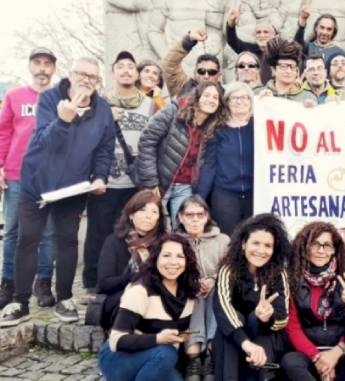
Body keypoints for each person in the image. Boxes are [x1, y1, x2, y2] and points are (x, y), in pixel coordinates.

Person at [0, 57, 115, 328]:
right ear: (70, 75)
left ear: (98, 82)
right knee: (28, 239)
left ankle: (64, 298)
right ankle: (20, 301)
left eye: (93, 77)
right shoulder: (51, 99)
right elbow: (42, 142)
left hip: (73, 187)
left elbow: (104, 148)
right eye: (81, 74)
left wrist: (99, 176)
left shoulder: (103, 110)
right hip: (36, 183)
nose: (86, 80)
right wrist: (63, 121)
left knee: (68, 241)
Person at [82, 51, 157, 304]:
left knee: (130, 233)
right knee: (98, 232)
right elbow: (84, 136)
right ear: (113, 72)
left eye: (131, 67)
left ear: (137, 74)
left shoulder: (149, 104)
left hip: (134, 182)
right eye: (120, 66)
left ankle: (129, 279)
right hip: (105, 180)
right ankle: (92, 284)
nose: (126, 71)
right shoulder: (98, 102)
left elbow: (157, 140)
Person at [0, 47, 58, 310]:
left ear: (53, 68)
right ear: (31, 66)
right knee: (14, 233)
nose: (42, 68)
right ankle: (8, 285)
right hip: (17, 177)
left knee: (48, 234)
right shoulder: (14, 96)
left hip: (51, 180)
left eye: (47, 64)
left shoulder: (60, 99)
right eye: (37, 63)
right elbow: (3, 134)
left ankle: (43, 283)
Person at [98, 233, 200, 381]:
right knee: (166, 352)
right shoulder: (141, 290)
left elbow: (184, 334)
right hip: (119, 358)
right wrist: (158, 338)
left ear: (187, 262)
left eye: (180, 256)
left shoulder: (190, 293)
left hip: (159, 360)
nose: (173, 262)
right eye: (166, 255)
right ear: (156, 258)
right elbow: (117, 340)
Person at [281, 221, 345, 381]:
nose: (320, 251)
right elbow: (293, 328)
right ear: (305, 248)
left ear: (334, 250)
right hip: (309, 353)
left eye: (326, 245)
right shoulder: (292, 280)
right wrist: (318, 358)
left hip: (342, 351)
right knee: (290, 361)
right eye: (315, 244)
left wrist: (336, 353)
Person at [136, 82, 225, 230]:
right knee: (154, 228)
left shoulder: (212, 127)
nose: (211, 100)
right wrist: (150, 181)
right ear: (197, 96)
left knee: (183, 229)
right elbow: (147, 141)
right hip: (160, 182)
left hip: (185, 187)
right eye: (207, 95)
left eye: (215, 97)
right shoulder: (174, 110)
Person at [213, 213, 291, 381]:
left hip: (265, 337)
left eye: (268, 245)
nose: (261, 251)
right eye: (256, 243)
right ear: (243, 244)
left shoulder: (279, 273)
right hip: (235, 339)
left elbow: (283, 318)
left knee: (257, 318)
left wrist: (268, 318)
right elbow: (222, 308)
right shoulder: (229, 269)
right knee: (233, 322)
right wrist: (246, 343)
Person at [176, 195, 230, 380]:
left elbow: (230, 269)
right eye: (189, 215)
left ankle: (209, 355)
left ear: (207, 216)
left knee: (216, 294)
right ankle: (194, 357)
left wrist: (214, 280)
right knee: (195, 295)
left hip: (216, 290)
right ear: (180, 217)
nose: (195, 219)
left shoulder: (222, 240)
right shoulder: (174, 240)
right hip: (186, 292)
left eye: (200, 214)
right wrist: (192, 282)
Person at [96, 189, 166, 330]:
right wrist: (135, 277)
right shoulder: (114, 241)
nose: (148, 216)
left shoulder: (165, 243)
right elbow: (104, 284)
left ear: (159, 218)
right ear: (131, 215)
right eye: (142, 210)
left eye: (154, 212)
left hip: (155, 299)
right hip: (121, 298)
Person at [197, 81, 254, 236]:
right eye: (234, 98)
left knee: (252, 238)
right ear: (227, 103)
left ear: (251, 101)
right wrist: (199, 198)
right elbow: (209, 165)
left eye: (244, 97)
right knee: (228, 239)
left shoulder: (260, 125)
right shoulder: (218, 129)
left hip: (254, 193)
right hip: (225, 194)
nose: (240, 101)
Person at [254, 38, 318, 105]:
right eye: (283, 66)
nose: (288, 71)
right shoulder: (258, 93)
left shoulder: (307, 97)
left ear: (297, 71)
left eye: (292, 66)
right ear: (273, 69)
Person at [162, 29, 222, 98]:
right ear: (195, 73)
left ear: (219, 77)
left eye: (212, 72)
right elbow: (169, 64)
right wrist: (188, 40)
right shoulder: (183, 88)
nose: (206, 76)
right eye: (201, 71)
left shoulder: (226, 97)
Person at [225, 6, 277, 85]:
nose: (262, 35)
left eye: (266, 32)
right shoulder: (250, 49)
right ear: (254, 36)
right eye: (258, 32)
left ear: (273, 35)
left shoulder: (280, 51)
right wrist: (231, 24)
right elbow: (232, 41)